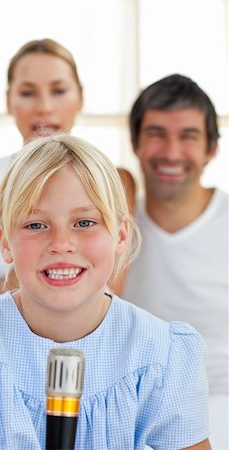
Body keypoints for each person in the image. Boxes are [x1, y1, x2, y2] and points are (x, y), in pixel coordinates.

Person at [0, 134, 211, 449]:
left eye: (85, 222)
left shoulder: (164, 355)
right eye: (36, 225)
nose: (61, 243)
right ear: (6, 242)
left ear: (120, 237)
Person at [0, 38, 134, 314]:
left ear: (80, 97)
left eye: (58, 90)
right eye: (28, 93)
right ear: (8, 101)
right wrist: (34, 257)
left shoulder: (116, 181)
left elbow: (107, 290)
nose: (44, 107)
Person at [122, 74, 228, 450]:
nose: (170, 151)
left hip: (221, 398)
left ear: (212, 148)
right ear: (134, 142)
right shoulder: (110, 229)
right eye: (156, 133)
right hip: (135, 405)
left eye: (188, 136)